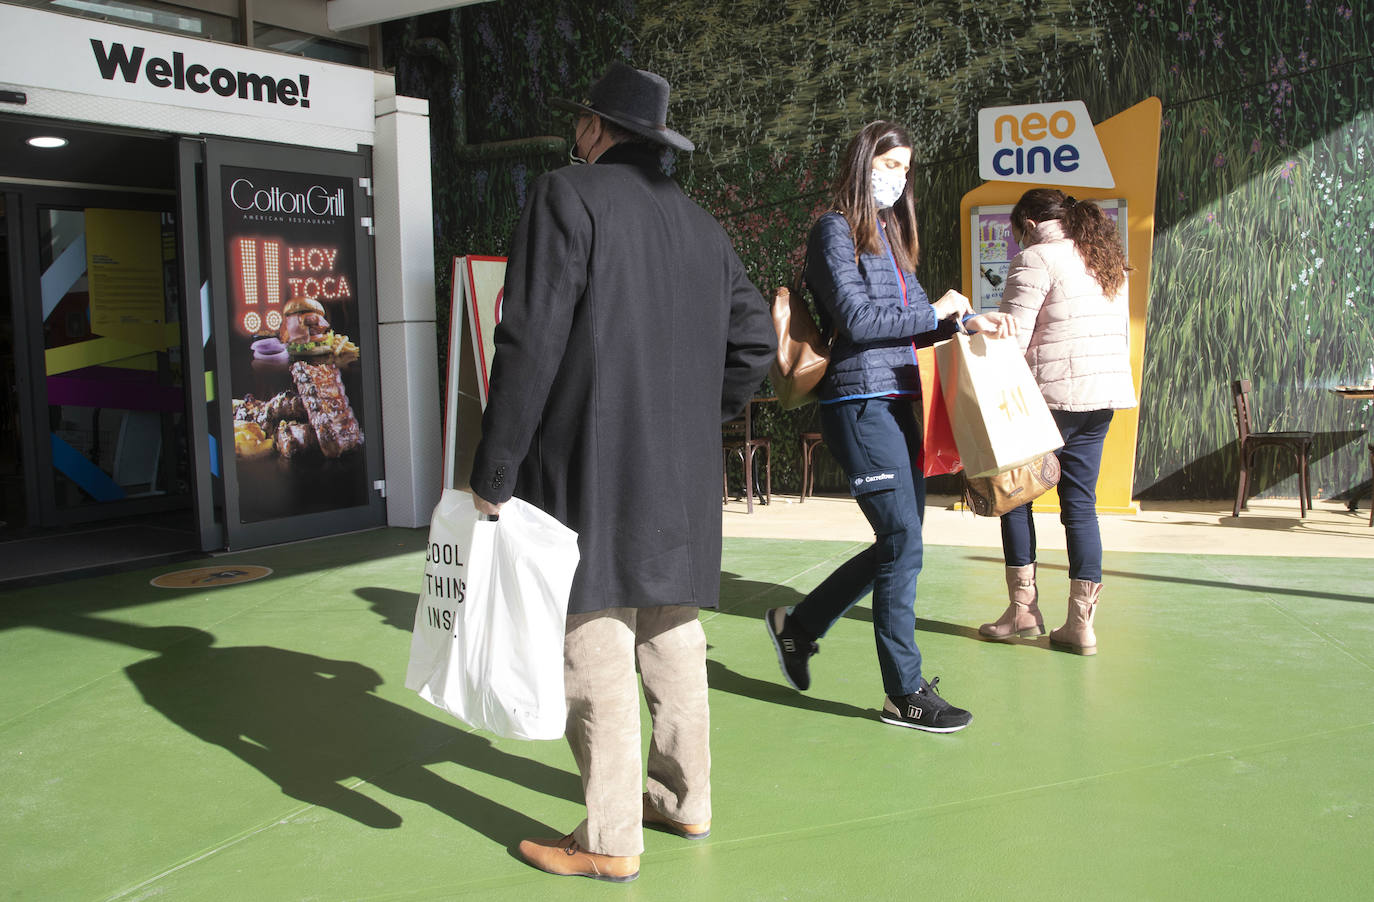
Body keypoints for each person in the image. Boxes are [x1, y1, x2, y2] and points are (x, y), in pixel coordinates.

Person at [468, 62, 775, 882]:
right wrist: (696, 416)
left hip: (590, 464)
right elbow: (756, 346)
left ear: (597, 129)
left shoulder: (568, 194)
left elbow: (528, 340)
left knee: (593, 640)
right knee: (671, 628)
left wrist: (493, 469)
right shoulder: (703, 226)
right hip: (679, 472)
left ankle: (607, 840)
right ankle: (684, 800)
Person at [764, 121, 1016, 732]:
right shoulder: (834, 229)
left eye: (905, 167)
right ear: (863, 162)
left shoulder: (894, 235)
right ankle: (903, 691)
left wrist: (962, 322)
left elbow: (913, 324)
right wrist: (931, 311)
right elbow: (853, 318)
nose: (897, 176)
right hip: (858, 402)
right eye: (888, 162)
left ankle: (797, 627)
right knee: (903, 542)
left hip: (903, 402)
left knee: (897, 545)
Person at [976, 188, 1136, 655]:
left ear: (1028, 222)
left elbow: (1009, 339)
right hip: (1100, 399)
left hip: (1046, 400)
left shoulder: (1035, 258)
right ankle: (1080, 626)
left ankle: (1023, 607)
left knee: (1014, 497)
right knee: (1080, 507)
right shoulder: (1104, 260)